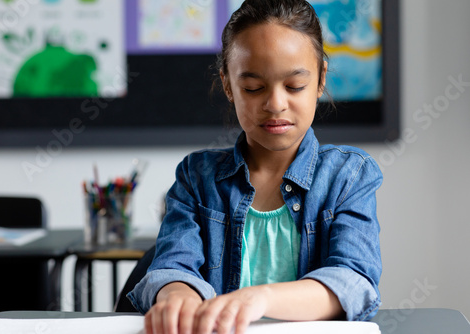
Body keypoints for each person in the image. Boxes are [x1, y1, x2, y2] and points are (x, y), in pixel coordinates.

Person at [127, 0, 382, 333]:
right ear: (229, 85)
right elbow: (172, 267)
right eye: (253, 88)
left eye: (295, 86)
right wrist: (177, 295)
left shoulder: (349, 175)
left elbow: (353, 281)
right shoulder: (196, 177)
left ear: (320, 79)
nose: (275, 104)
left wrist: (260, 299)